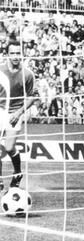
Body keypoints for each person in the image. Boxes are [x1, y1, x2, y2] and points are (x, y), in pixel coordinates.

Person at [0, 40, 36, 192]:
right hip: (0, 110)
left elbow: (32, 97)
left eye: (17, 53)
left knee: (9, 147)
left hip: (15, 113)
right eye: (12, 53)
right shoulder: (0, 71)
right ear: (7, 55)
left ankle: (17, 173)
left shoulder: (27, 74)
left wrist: (19, 112)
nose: (15, 56)